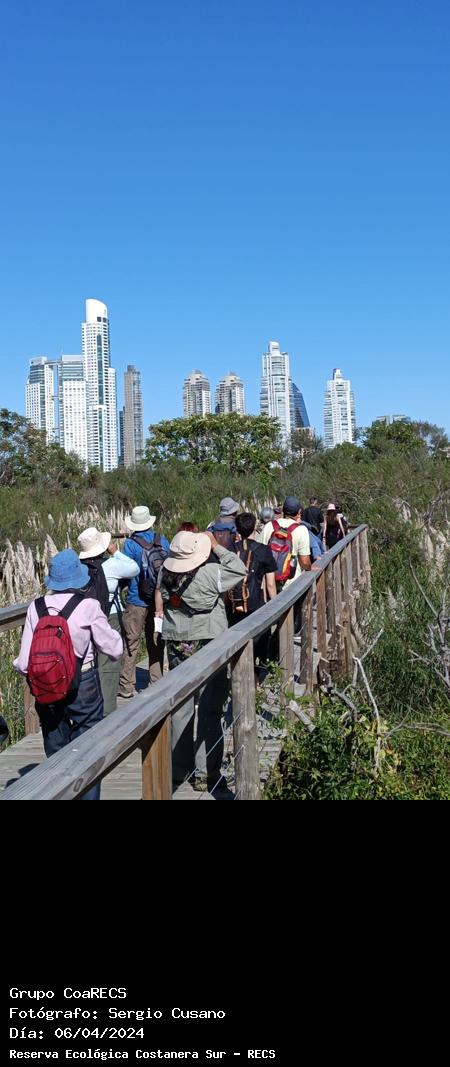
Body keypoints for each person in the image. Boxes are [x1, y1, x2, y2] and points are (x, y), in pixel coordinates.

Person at [13, 549, 123, 800]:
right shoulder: (88, 606)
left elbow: (24, 662)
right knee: (89, 747)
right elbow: (113, 649)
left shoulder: (36, 607)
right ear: (78, 577)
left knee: (57, 748)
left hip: (45, 686)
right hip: (82, 682)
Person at [154, 529, 247, 796]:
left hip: (177, 642)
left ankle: (178, 769)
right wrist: (216, 546)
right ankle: (206, 773)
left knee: (180, 707)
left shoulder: (164, 574)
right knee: (210, 707)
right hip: (209, 642)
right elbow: (239, 569)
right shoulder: (210, 573)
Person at [77, 526, 139, 715]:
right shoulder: (111, 565)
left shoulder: (78, 569)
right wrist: (115, 551)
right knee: (109, 662)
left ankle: (88, 709)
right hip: (109, 616)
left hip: (83, 617)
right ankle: (108, 711)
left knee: (87, 663)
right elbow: (134, 568)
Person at [118, 506, 170, 699]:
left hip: (136, 599)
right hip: (159, 600)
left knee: (131, 641)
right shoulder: (162, 540)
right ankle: (156, 681)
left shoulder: (130, 544)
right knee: (156, 640)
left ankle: (126, 686)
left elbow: (125, 571)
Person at [229, 512, 277, 669]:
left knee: (237, 640)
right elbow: (270, 584)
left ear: (237, 529)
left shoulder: (230, 549)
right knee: (260, 641)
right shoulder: (263, 550)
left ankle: (239, 668)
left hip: (234, 604)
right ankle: (257, 673)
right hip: (256, 603)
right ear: (254, 528)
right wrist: (275, 605)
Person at [261, 496, 312, 585]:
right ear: (299, 512)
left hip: (270, 582)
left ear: (283, 511)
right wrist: (310, 567)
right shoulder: (301, 530)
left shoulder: (269, 526)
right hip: (292, 583)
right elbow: (305, 562)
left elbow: (260, 553)